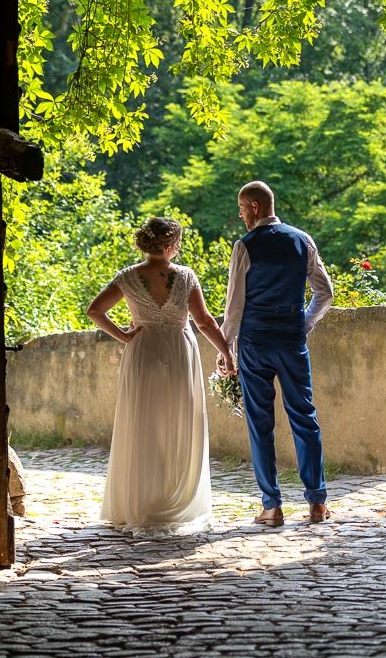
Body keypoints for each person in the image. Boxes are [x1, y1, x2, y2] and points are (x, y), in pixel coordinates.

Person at [87, 217, 235, 535]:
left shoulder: (128, 276)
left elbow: (95, 311)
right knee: (182, 422)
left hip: (143, 350)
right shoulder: (185, 276)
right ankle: (176, 498)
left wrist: (125, 337)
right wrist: (226, 353)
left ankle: (141, 502)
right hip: (180, 352)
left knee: (143, 424)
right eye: (177, 242)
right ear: (169, 245)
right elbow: (205, 322)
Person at [218, 181, 334, 526]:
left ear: (255, 207)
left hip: (255, 342)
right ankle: (317, 503)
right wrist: (303, 324)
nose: (241, 216)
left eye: (242, 209)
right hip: (291, 340)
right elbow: (325, 293)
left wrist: (226, 348)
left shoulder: (245, 245)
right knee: (304, 417)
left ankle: (272, 507)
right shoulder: (302, 240)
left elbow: (234, 307)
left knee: (260, 423)